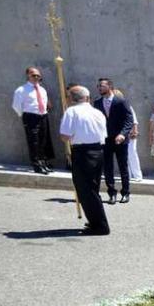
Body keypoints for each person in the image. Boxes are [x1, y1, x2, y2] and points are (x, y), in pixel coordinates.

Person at [57, 86, 110, 235]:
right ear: (87, 97)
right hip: (98, 151)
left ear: (71, 98)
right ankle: (95, 221)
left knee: (86, 191)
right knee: (91, 189)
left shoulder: (71, 112)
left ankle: (100, 226)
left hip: (82, 152)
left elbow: (65, 136)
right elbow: (103, 134)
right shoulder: (97, 112)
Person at [93, 78, 134, 204]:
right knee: (108, 167)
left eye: (102, 86)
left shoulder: (121, 101)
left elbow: (129, 120)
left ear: (110, 86)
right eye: (98, 86)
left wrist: (122, 134)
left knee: (123, 167)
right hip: (105, 140)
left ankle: (125, 193)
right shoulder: (97, 103)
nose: (99, 88)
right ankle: (111, 193)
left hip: (120, 140)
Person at [12, 67, 55, 174]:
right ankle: (36, 165)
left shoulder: (42, 89)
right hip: (31, 117)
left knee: (43, 141)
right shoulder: (21, 90)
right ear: (28, 76)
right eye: (33, 75)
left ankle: (43, 162)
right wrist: (23, 115)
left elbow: (44, 103)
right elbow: (16, 105)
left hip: (43, 116)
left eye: (38, 75)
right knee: (34, 142)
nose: (36, 77)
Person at [113, 89, 142, 182]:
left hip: (129, 134)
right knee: (124, 155)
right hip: (119, 134)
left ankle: (137, 175)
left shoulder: (126, 105)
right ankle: (128, 175)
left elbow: (134, 120)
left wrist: (135, 131)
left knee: (132, 154)